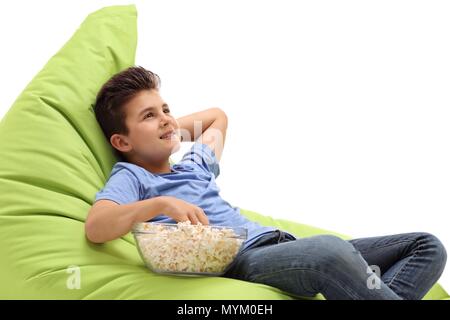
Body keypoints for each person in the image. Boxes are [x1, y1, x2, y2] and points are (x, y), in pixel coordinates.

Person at [86, 65, 447, 300]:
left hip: (280, 246)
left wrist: (164, 132)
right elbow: (97, 227)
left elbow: (216, 118)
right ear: (121, 142)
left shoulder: (193, 166)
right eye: (149, 115)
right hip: (244, 260)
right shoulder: (133, 176)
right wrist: (160, 205)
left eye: (166, 109)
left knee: (426, 246)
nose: (165, 119)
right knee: (330, 250)